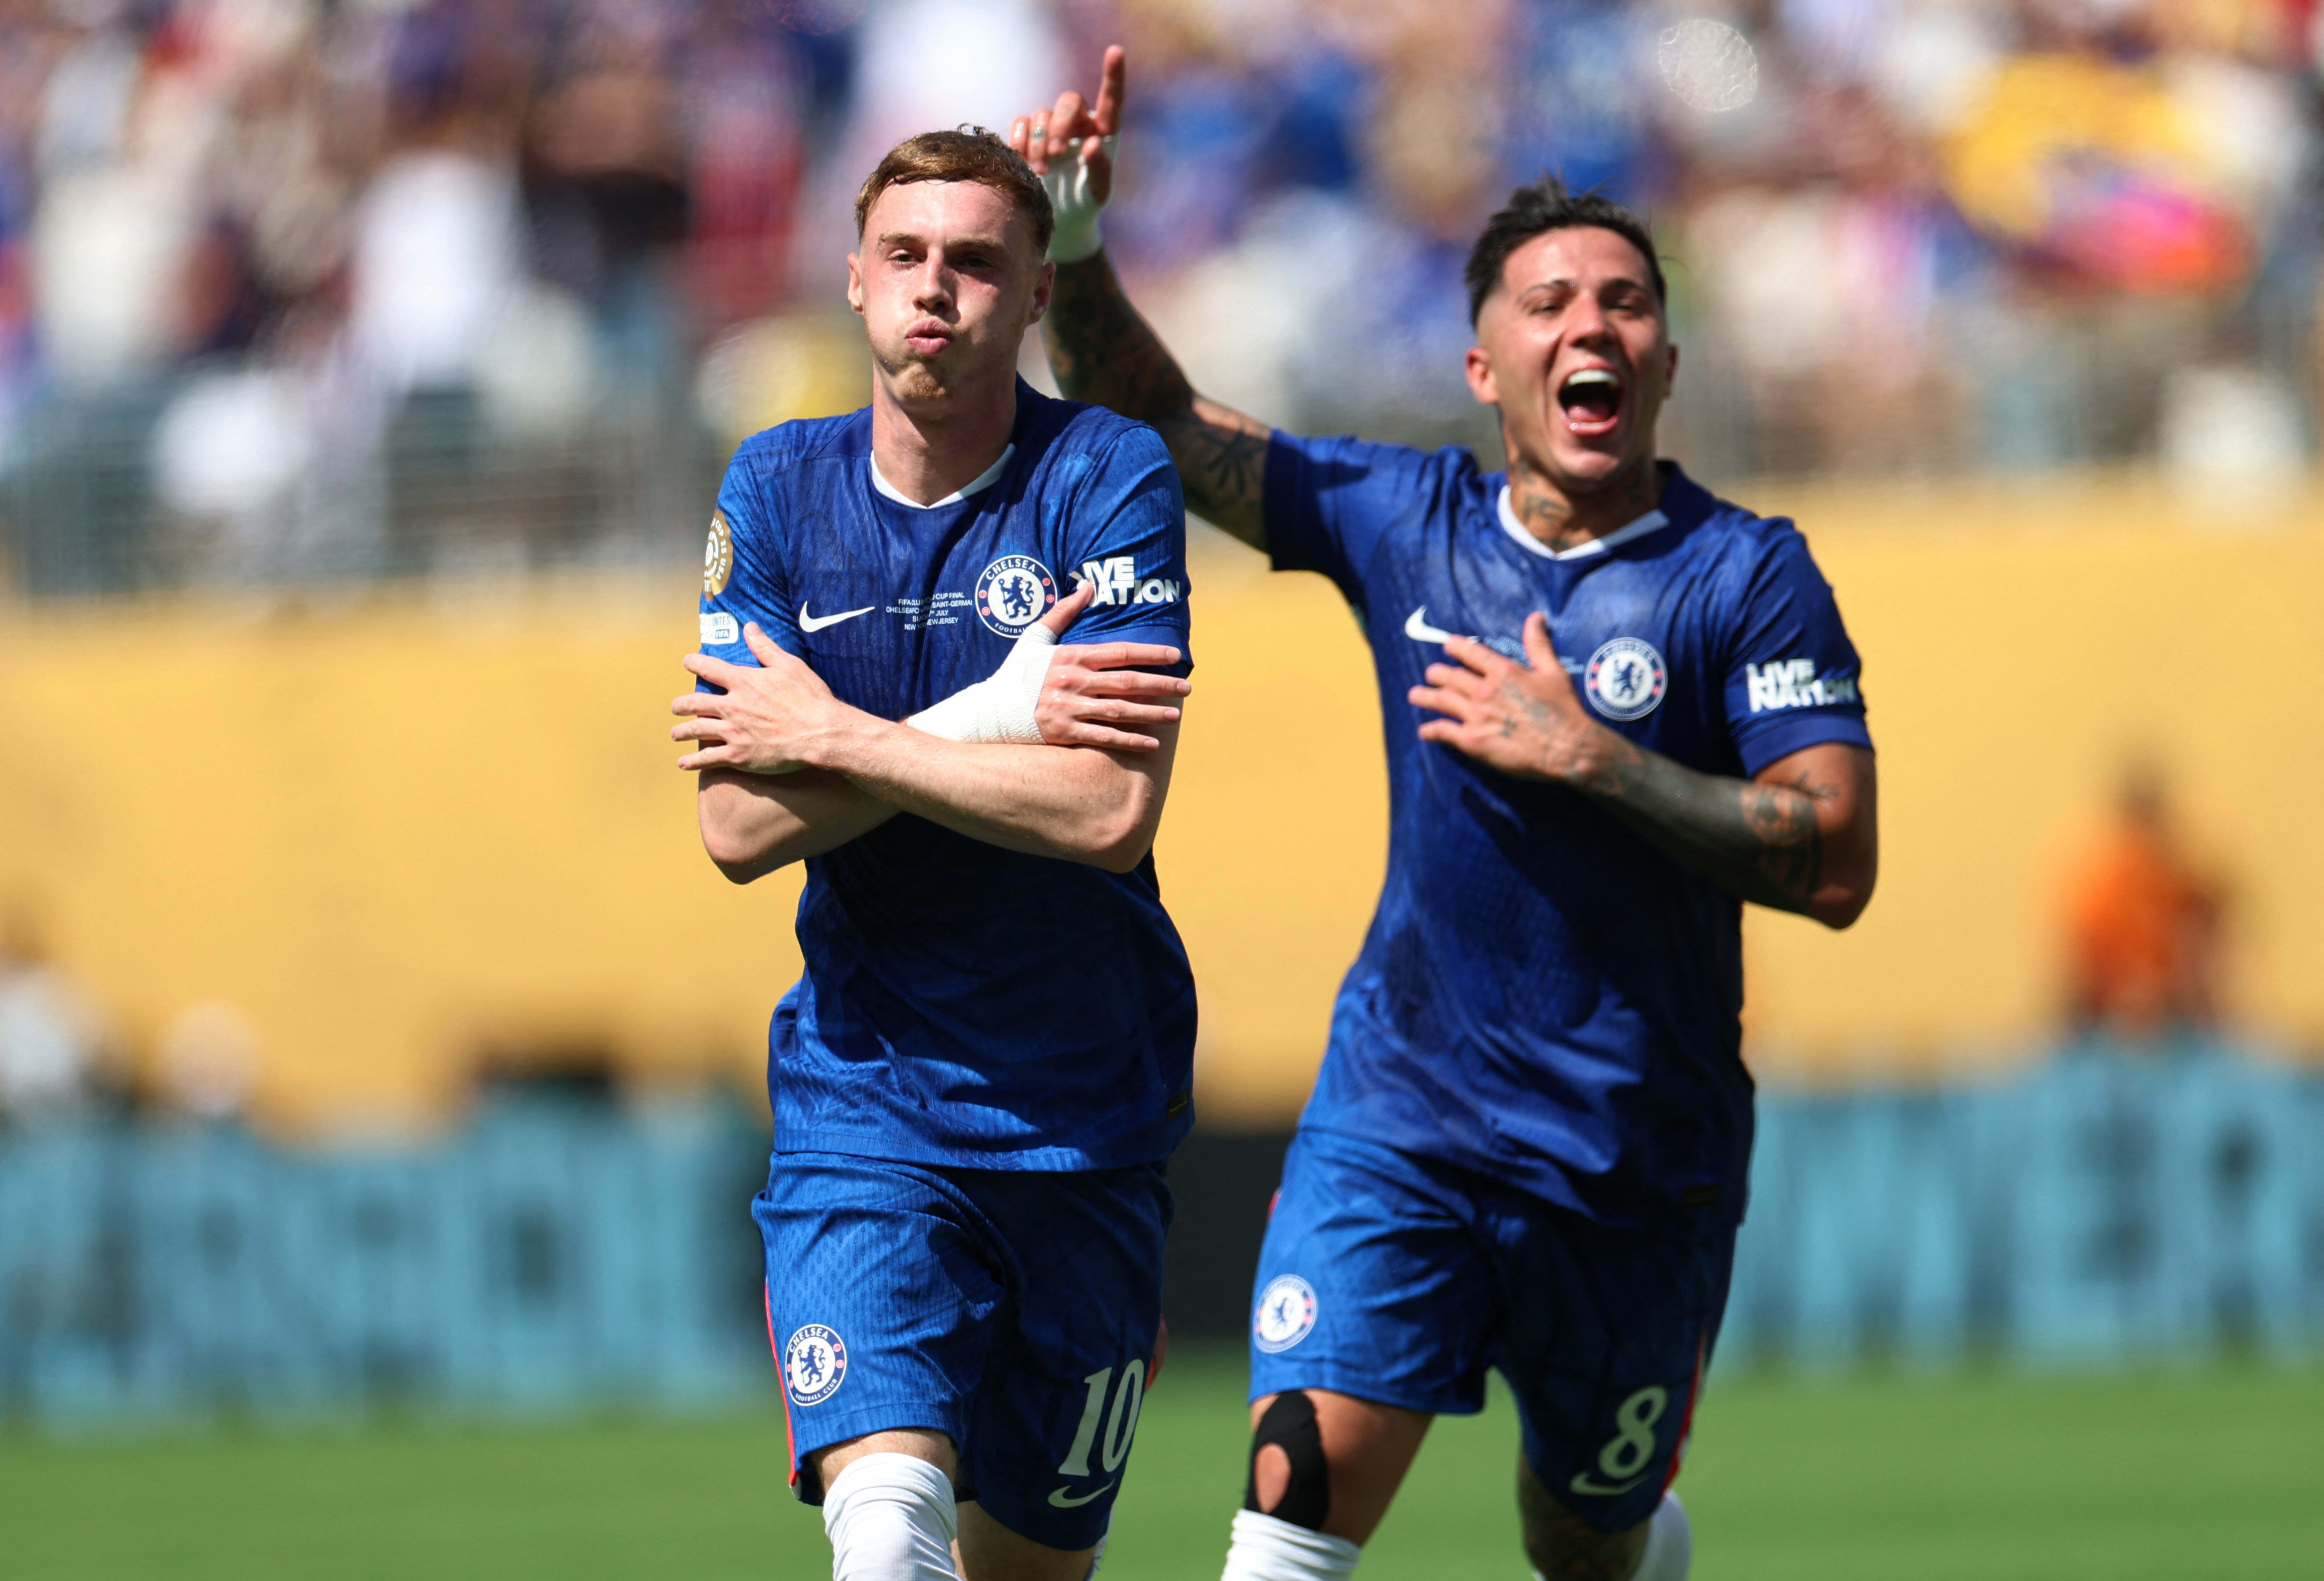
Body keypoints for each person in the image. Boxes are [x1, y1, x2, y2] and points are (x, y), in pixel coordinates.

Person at [1008, 50, 1879, 1581]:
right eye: (1549, 303)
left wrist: (1598, 760)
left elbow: (1838, 857)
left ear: (1667, 360)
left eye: (1625, 302)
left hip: (1634, 1161)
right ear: (1485, 366)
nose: (1590, 325)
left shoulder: (1748, 576)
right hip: (1401, 1123)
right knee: (1289, 1502)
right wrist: (1073, 241)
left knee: (1584, 1543)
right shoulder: (1403, 523)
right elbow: (1155, 417)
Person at [669, 127, 1199, 1581]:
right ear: (853, 278)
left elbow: (1106, 813)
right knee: (888, 1538)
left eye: (974, 262)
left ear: (1035, 294)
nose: (935, 289)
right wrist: (998, 713)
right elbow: (735, 827)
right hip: (867, 1111)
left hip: (1085, 1118)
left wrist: (833, 739)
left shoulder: (1106, 475)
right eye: (903, 255)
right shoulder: (777, 487)